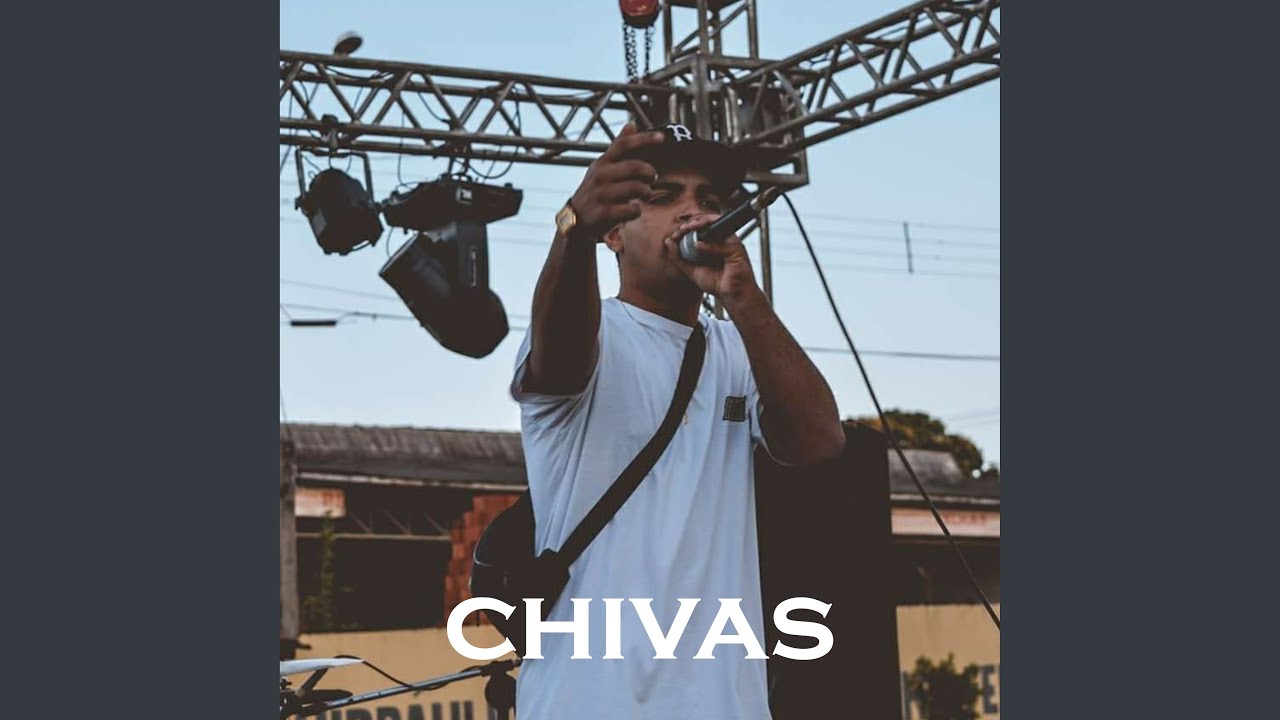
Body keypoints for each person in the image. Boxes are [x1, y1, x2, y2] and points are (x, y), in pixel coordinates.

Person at [510, 121, 845, 719]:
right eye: (665, 197)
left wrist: (743, 298)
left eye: (709, 201)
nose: (694, 213)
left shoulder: (737, 347)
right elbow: (559, 352)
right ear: (614, 231)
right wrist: (572, 230)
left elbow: (818, 441)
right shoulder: (594, 332)